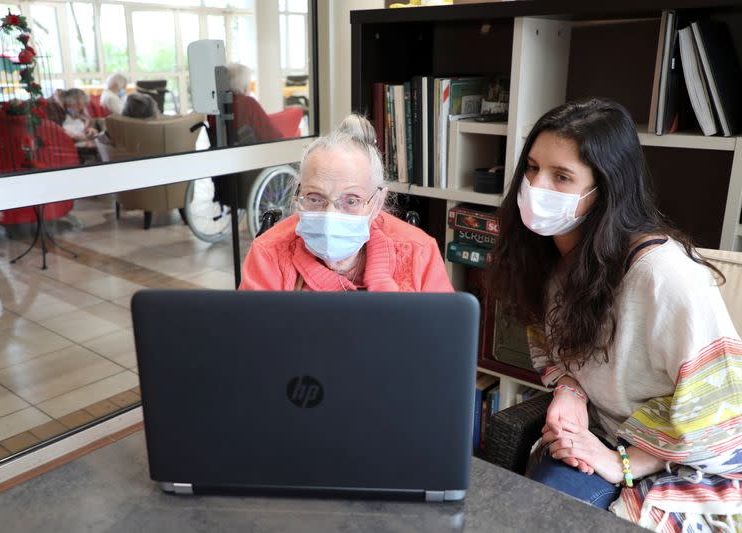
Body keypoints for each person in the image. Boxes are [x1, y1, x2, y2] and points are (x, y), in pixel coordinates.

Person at [488, 98, 742, 529]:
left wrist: (622, 463)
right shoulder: (545, 253)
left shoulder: (665, 276)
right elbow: (550, 347)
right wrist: (569, 388)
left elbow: (720, 411)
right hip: (602, 433)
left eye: (562, 176)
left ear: (604, 189)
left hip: (695, 459)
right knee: (529, 516)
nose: (536, 187)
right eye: (532, 168)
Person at [239, 114, 453, 292]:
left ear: (377, 203)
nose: (330, 215)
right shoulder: (268, 254)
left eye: (351, 200)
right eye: (315, 198)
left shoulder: (420, 253)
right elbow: (250, 338)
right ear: (298, 193)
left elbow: (444, 338)